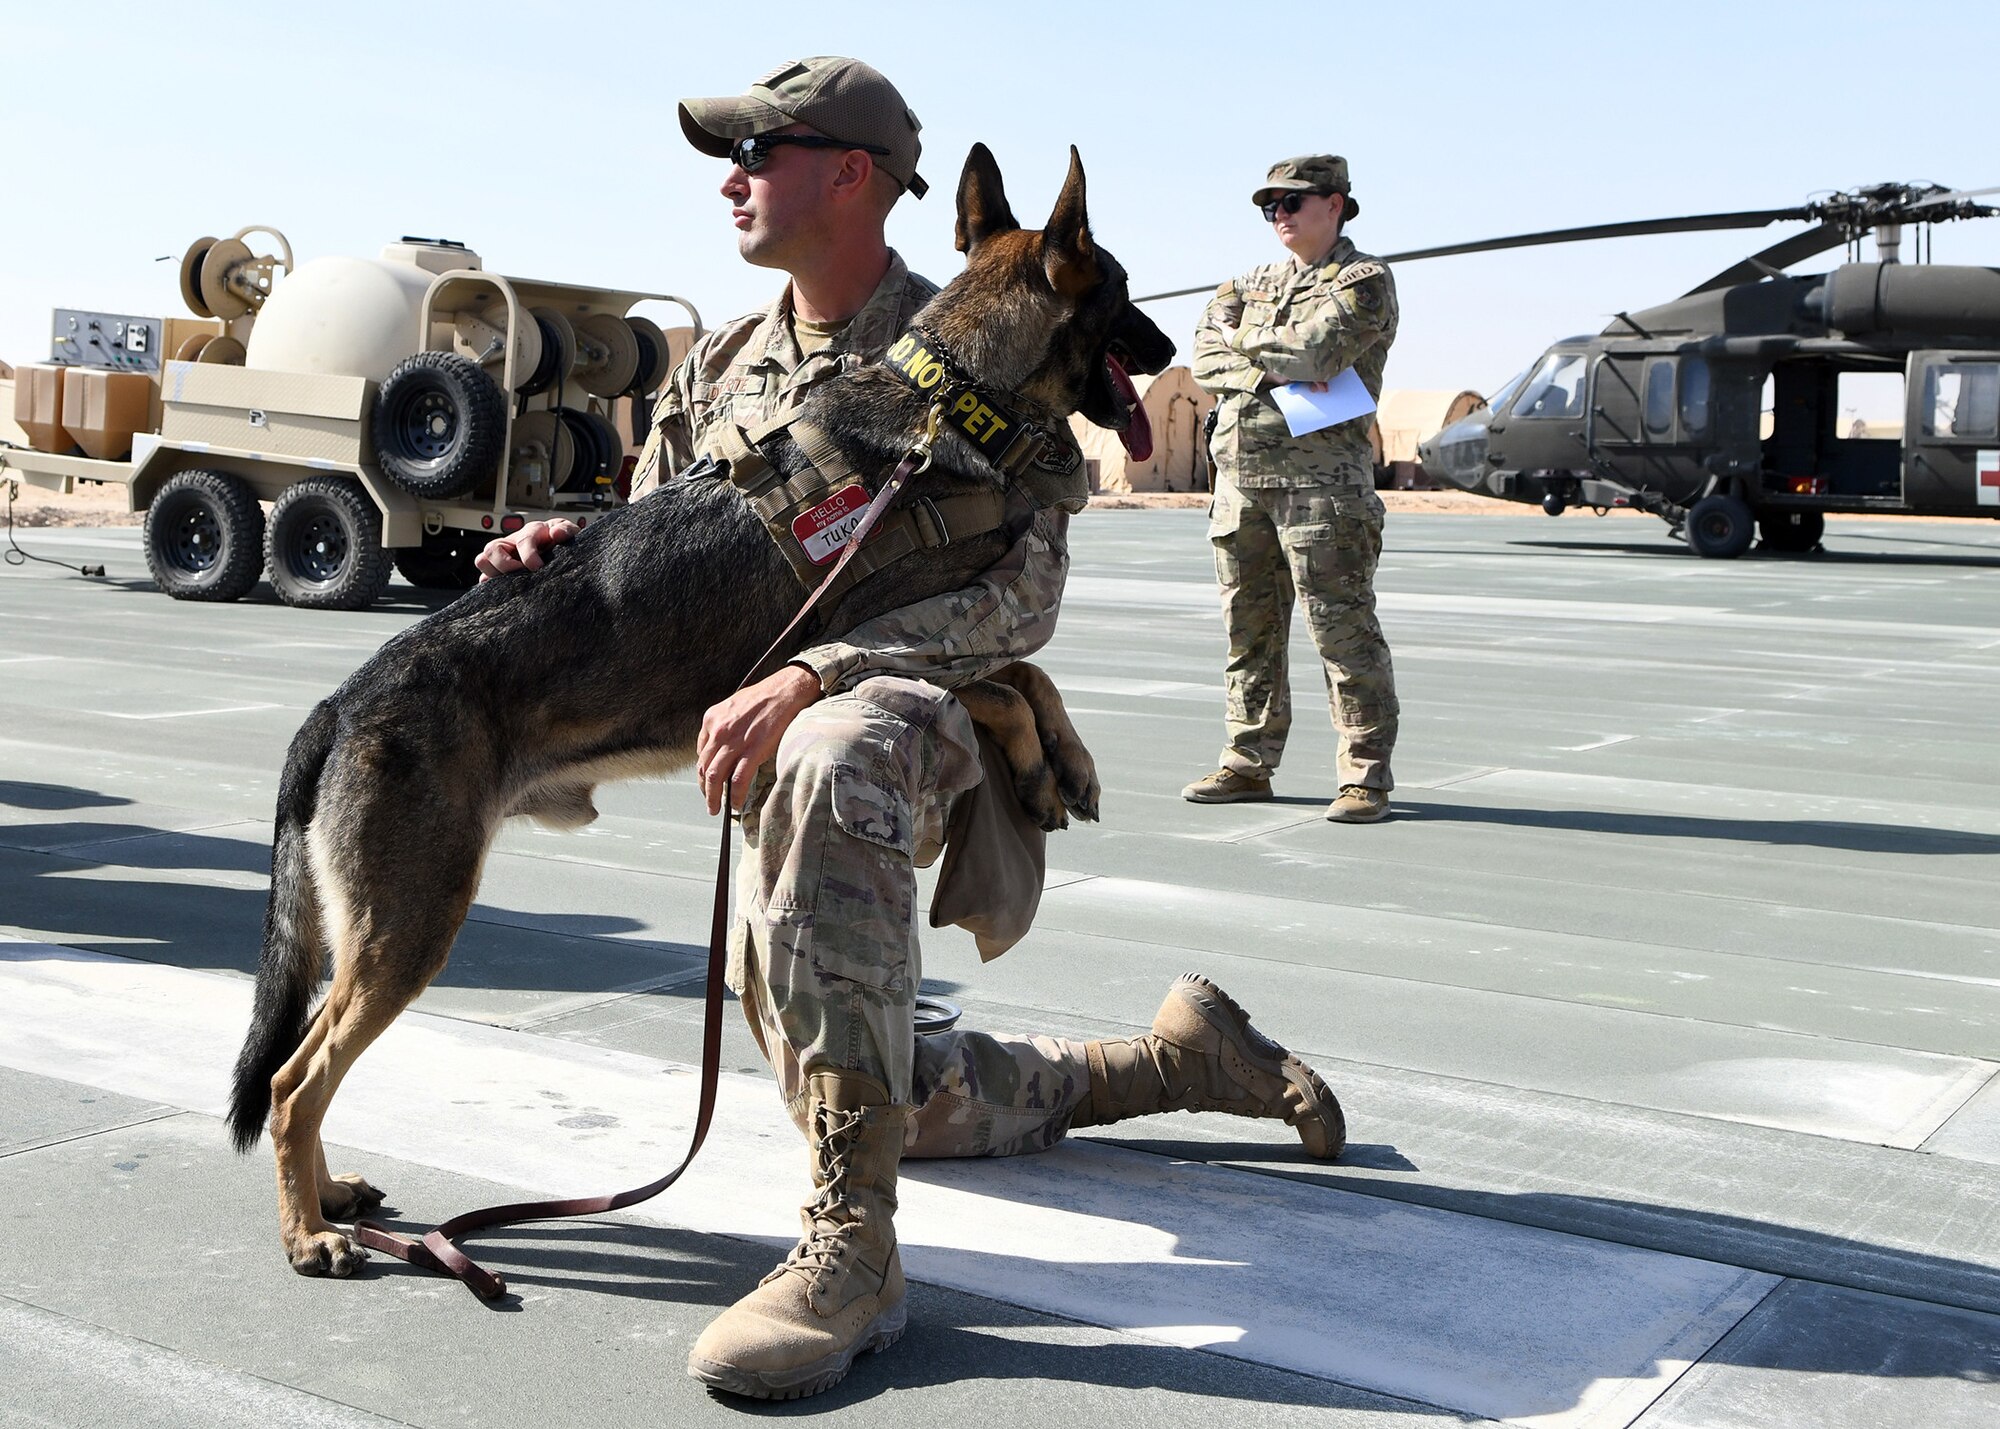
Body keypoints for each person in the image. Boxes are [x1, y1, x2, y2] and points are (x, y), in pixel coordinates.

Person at [476, 61, 1345, 1400]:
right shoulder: (724, 362)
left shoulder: (985, 333)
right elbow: (661, 536)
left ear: (850, 175)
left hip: (923, 715)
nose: (731, 178)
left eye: (759, 152)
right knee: (891, 1081)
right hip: (757, 744)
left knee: (831, 758)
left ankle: (854, 1251)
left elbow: (1021, 594)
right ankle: (1178, 1059)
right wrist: (569, 547)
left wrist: (822, 669)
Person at [1185, 155, 1401, 823]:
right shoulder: (1242, 281)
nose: (1279, 215)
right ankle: (1248, 760)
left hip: (1323, 488)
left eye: (1292, 202)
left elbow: (1316, 356)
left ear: (1335, 204)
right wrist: (1265, 364)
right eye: (1269, 206)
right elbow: (1203, 358)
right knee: (1248, 631)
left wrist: (1246, 342)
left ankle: (1365, 774)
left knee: (1342, 631)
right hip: (1241, 482)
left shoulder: (1364, 282)